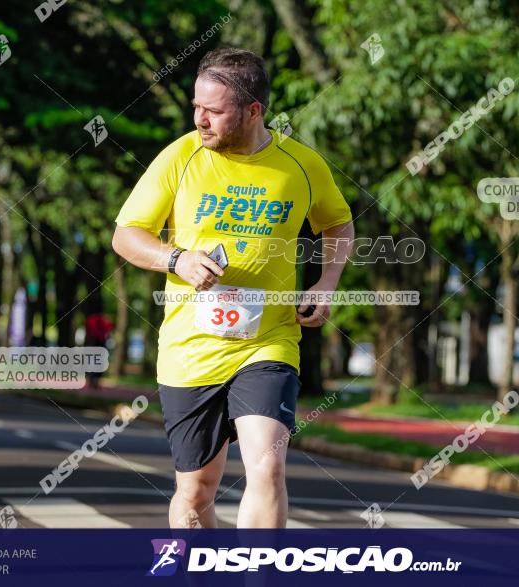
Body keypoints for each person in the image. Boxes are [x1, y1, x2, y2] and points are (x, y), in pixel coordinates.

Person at [112, 47, 354, 528]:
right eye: (196, 107)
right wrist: (175, 258)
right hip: (190, 349)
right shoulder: (180, 157)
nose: (200, 120)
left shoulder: (300, 164)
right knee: (196, 490)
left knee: (267, 467)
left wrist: (327, 282)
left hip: (268, 342)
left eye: (214, 111)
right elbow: (126, 235)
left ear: (253, 111)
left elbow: (338, 224)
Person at [84, 312, 113, 389]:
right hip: (99, 342)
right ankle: (94, 381)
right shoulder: (101, 320)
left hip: (94, 342)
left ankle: (92, 381)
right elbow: (109, 328)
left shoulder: (92, 319)